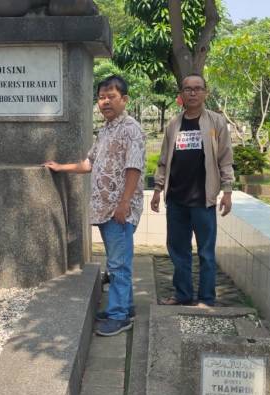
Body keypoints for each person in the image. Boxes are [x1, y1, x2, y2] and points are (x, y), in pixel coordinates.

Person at [44, 75, 145, 337]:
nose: (105, 102)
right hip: (103, 209)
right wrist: (61, 167)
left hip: (118, 210)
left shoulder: (131, 129)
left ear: (124, 99)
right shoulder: (107, 129)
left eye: (111, 96)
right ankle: (125, 306)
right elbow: (89, 163)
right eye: (101, 97)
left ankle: (119, 316)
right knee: (118, 260)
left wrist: (124, 204)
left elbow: (134, 168)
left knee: (118, 264)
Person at [151, 73, 234, 307]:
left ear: (205, 92)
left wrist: (227, 191)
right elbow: (164, 159)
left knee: (206, 254)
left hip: (203, 200)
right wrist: (158, 189)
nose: (193, 93)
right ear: (181, 94)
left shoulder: (216, 123)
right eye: (188, 89)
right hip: (176, 199)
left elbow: (225, 159)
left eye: (198, 88)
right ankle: (183, 294)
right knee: (179, 252)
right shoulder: (173, 124)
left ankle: (207, 298)